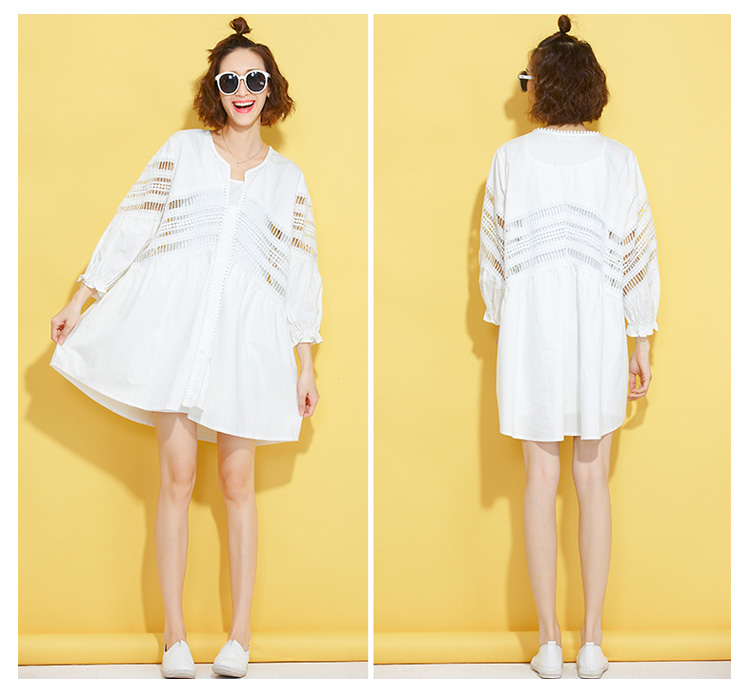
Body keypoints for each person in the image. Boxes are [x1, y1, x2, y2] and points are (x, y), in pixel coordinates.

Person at [49, 17, 323, 679]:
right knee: (175, 478)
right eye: (230, 81)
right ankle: (174, 637)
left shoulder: (288, 179)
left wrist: (305, 362)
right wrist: (82, 297)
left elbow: (301, 273)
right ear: (215, 90)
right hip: (174, 337)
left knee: (237, 483)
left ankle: (239, 636)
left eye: (254, 79)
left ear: (270, 87)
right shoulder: (183, 151)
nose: (242, 91)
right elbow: (132, 223)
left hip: (246, 347)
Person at [479, 15, 659, 679]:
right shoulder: (619, 161)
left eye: (526, 78)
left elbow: (493, 262)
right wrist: (640, 337)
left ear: (541, 85)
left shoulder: (510, 160)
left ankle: (549, 642)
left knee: (539, 481)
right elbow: (639, 256)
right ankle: (593, 641)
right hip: (598, 332)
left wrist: (509, 317)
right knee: (593, 483)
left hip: (531, 333)